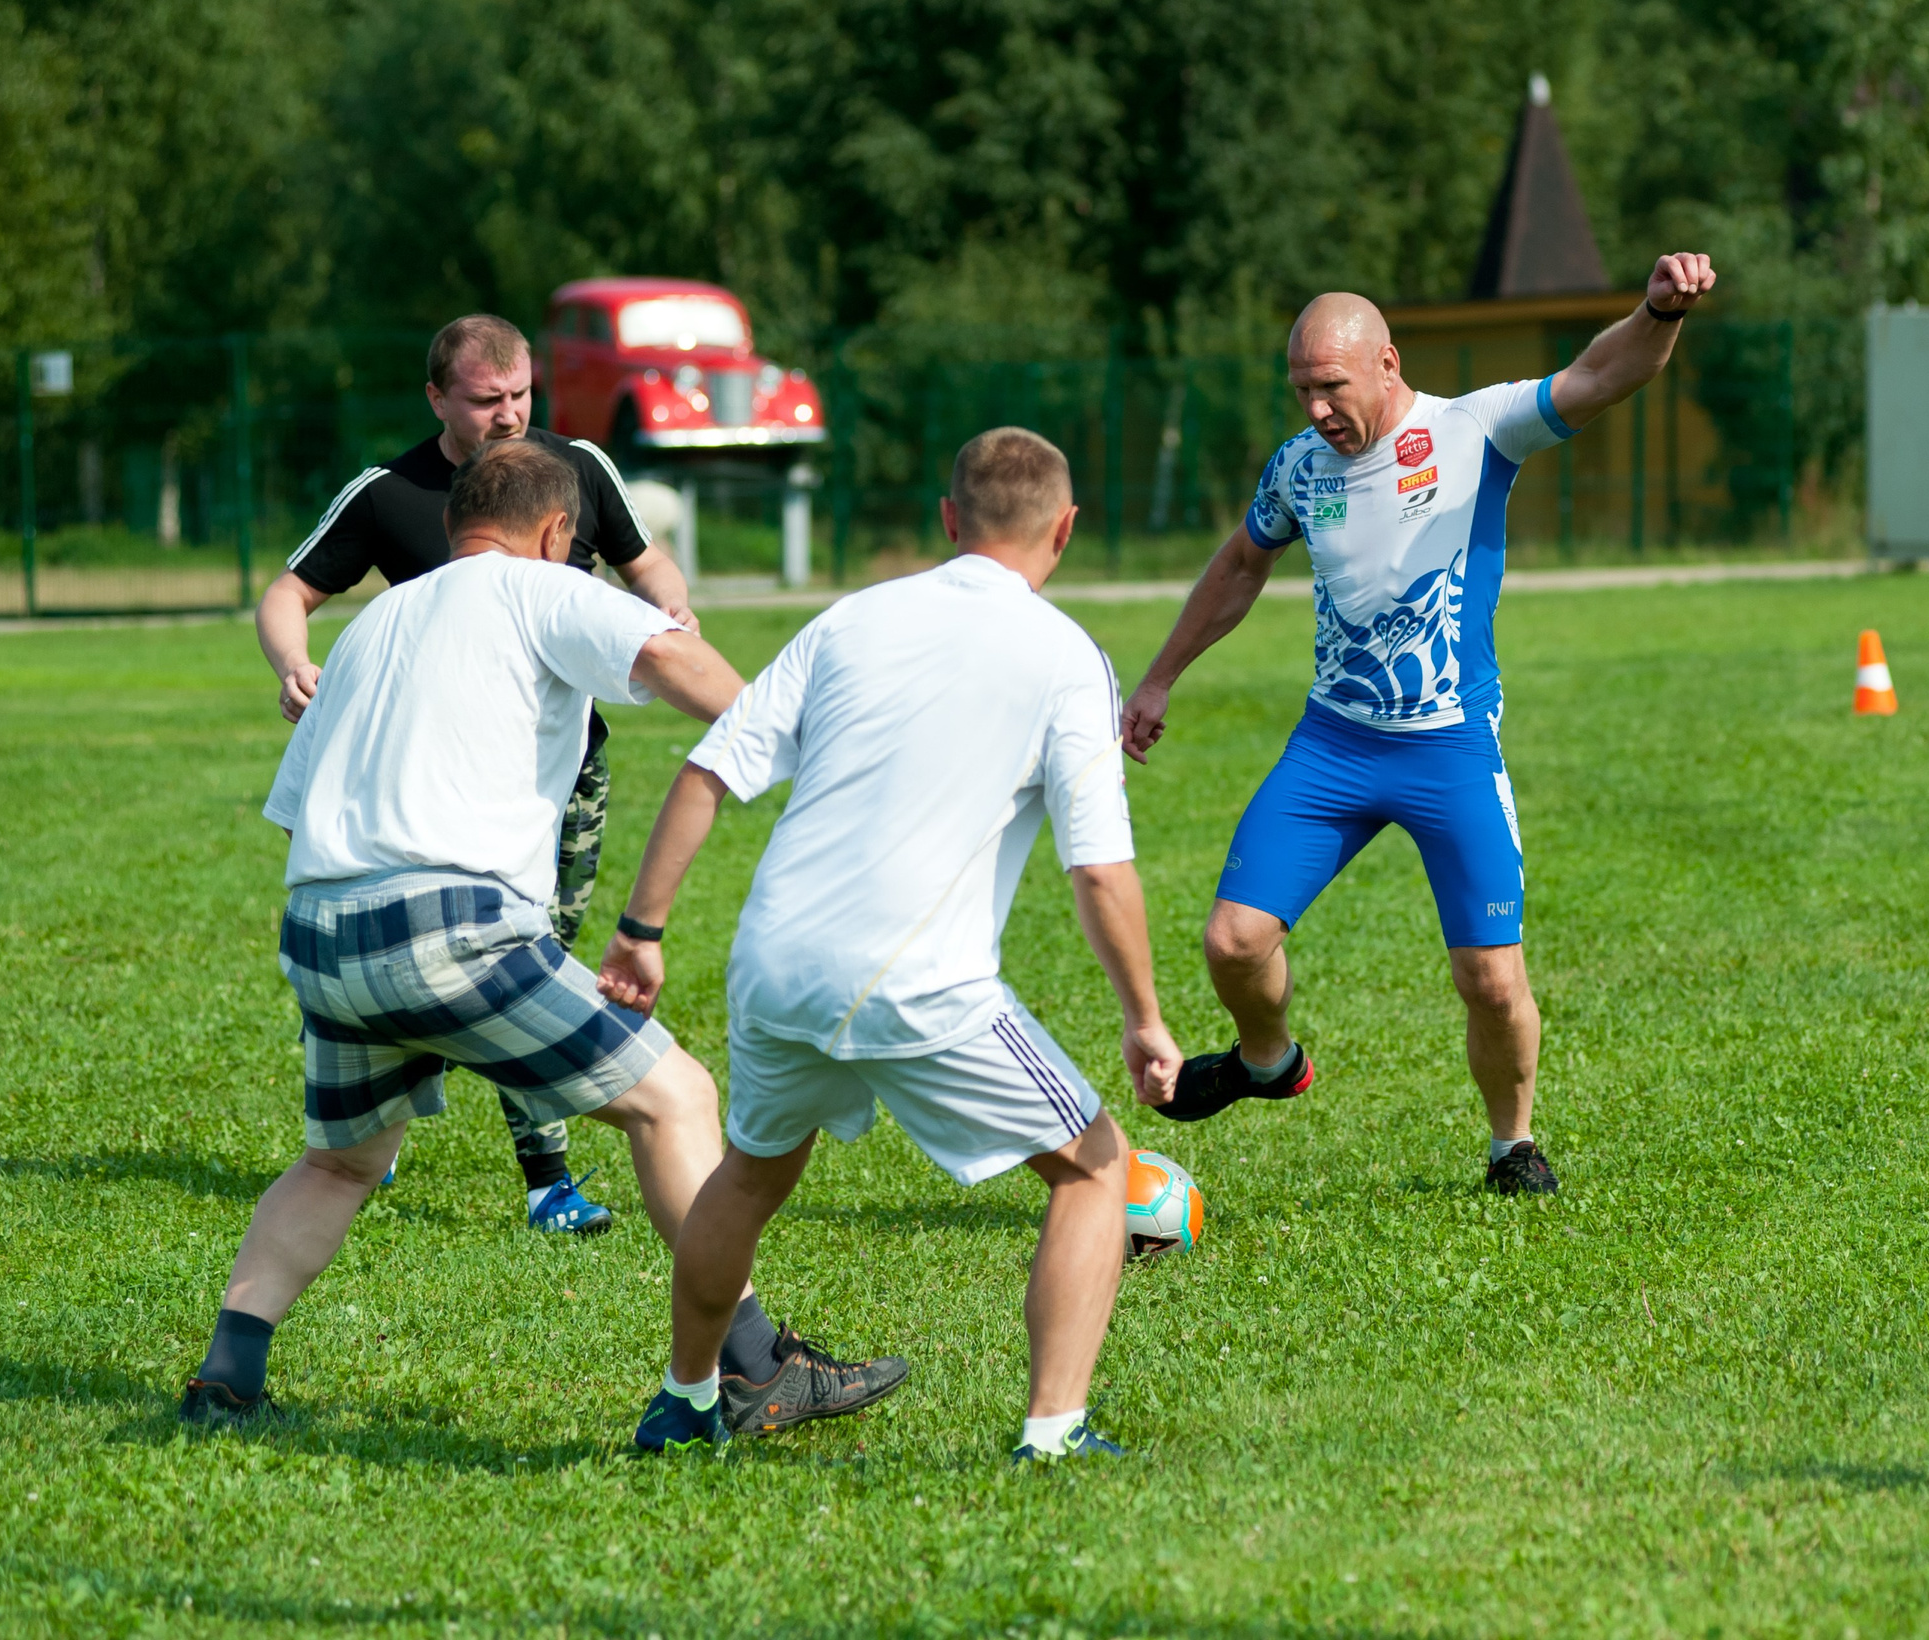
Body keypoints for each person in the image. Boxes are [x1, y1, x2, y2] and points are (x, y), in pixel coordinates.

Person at [184, 439, 902, 1435]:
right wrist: (814, 755)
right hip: (446, 928)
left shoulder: (375, 621)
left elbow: (296, 802)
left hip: (321, 929)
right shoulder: (542, 586)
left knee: (340, 1165)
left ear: (452, 524)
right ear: (560, 532)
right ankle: (748, 1364)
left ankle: (226, 1376)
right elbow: (673, 656)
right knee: (677, 1099)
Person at [594, 427, 1184, 1461]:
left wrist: (640, 931)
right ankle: (1054, 1433)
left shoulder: (852, 619)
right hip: (913, 980)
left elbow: (705, 774)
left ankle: (686, 1401)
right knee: (1096, 1170)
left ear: (949, 522)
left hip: (772, 963)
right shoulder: (1064, 655)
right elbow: (1097, 869)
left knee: (749, 1175)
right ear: (1066, 530)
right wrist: (1143, 1017)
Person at [1116, 255, 1718, 1196]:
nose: (1316, 408)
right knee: (1233, 942)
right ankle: (1269, 1062)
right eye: (1302, 389)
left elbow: (1604, 376)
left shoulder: (1473, 430)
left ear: (1387, 363)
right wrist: (1157, 679)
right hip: (1334, 745)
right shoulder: (1299, 467)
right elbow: (1240, 566)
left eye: (1332, 386)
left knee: (1491, 980)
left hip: (1449, 748)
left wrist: (1657, 310)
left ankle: (1510, 1146)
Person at [257, 313, 691, 1236]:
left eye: (521, 395)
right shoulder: (389, 493)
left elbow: (649, 568)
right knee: (454, 950)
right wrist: (293, 661)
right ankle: (364, 1138)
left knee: (539, 959)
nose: (507, 417)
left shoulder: (570, 468)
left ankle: (546, 1180)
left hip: (556, 774)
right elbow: (288, 592)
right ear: (436, 399)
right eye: (486, 400)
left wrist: (671, 615)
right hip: (428, 773)